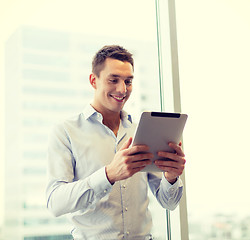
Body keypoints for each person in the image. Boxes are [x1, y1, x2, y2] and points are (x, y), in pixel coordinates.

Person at [46, 45, 186, 240]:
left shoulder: (141, 131)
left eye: (128, 81)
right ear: (93, 80)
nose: (122, 89)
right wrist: (108, 174)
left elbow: (168, 202)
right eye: (113, 80)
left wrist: (171, 177)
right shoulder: (66, 131)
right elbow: (55, 203)